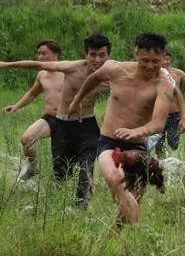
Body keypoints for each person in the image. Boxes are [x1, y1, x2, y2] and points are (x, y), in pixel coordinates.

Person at [67, 33, 175, 233]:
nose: (150, 66)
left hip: (138, 146)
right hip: (109, 141)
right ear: (135, 54)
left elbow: (159, 124)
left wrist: (136, 131)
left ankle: (118, 238)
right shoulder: (114, 69)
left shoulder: (164, 84)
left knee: (129, 202)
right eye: (144, 61)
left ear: (163, 57)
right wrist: (76, 101)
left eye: (155, 61)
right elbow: (93, 78)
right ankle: (138, 233)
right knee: (115, 178)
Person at [0, 33, 112, 208]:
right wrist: (7, 65)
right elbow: (36, 67)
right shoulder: (71, 68)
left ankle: (81, 204)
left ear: (108, 55)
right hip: (62, 123)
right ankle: (47, 189)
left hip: (87, 124)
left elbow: (133, 82)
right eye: (93, 55)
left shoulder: (112, 74)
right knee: (60, 171)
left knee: (86, 163)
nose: (97, 59)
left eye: (102, 55)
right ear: (86, 54)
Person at [2, 40, 64, 180]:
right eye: (39, 54)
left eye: (44, 53)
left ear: (55, 54)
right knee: (27, 138)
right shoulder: (42, 74)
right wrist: (16, 106)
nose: (40, 57)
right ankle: (33, 168)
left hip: (67, 120)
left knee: (61, 160)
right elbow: (32, 94)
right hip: (49, 118)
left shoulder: (67, 71)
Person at [149, 49, 185, 157]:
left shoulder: (178, 73)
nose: (165, 62)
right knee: (158, 145)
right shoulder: (153, 74)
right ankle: (162, 164)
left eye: (167, 59)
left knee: (173, 143)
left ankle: (174, 159)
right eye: (163, 60)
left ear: (170, 59)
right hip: (159, 114)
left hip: (174, 115)